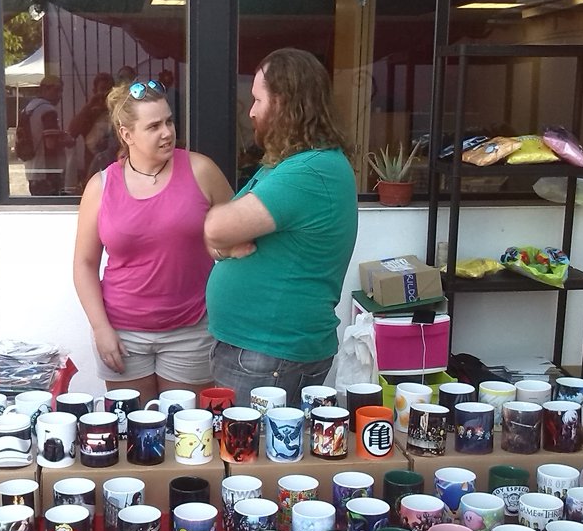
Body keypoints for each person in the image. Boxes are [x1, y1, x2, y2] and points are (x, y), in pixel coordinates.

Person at [203, 48, 358, 406]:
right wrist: (225, 244)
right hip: (259, 352)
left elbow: (216, 226)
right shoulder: (285, 165)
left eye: (258, 100)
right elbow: (218, 238)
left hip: (270, 356)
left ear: (284, 103)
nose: (251, 111)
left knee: (250, 446)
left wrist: (224, 240)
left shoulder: (310, 172)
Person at [73, 79, 234, 402]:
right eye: (154, 126)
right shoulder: (101, 186)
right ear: (127, 134)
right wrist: (101, 329)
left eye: (169, 121)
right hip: (122, 333)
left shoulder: (201, 170)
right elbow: (84, 264)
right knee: (135, 428)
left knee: (186, 428)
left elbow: (238, 236)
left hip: (191, 329)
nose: (167, 132)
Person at [23, 75, 72, 196]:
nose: (59, 95)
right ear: (44, 89)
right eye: (56, 90)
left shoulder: (29, 108)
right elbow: (51, 144)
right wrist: (68, 141)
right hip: (48, 172)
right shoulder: (48, 111)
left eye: (61, 91)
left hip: (32, 170)